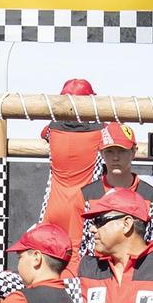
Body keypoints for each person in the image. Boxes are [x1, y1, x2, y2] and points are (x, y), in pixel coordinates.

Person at [37, 78, 111, 243]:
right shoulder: (103, 131)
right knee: (82, 264)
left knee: (51, 263)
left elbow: (43, 133)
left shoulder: (51, 129)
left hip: (53, 208)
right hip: (84, 210)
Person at [79, 122, 153, 254]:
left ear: (133, 152)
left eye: (122, 151)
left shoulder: (152, 197)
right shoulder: (86, 195)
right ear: (101, 153)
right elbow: (76, 249)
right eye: (109, 151)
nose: (115, 157)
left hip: (139, 272)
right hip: (96, 271)